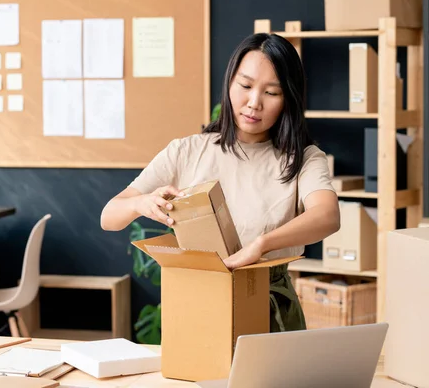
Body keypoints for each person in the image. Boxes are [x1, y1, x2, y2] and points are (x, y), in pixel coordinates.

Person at [100, 33, 340, 332]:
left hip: (269, 305)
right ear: (229, 83)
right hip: (199, 302)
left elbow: (327, 216)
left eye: (272, 92)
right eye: (246, 86)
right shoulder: (186, 151)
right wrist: (141, 202)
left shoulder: (303, 158)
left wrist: (261, 245)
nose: (254, 103)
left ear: (288, 98)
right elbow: (109, 217)